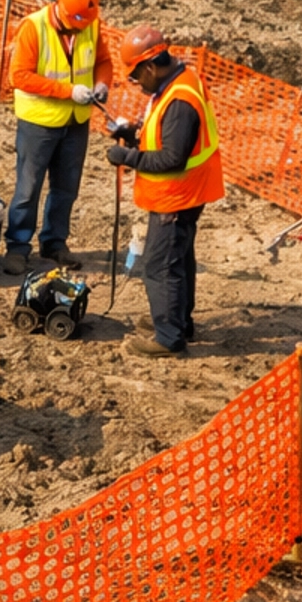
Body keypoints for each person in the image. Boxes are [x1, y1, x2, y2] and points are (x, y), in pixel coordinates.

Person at [106, 24, 224, 359]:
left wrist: (127, 157)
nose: (136, 83)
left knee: (159, 266)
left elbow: (173, 158)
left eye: (135, 76)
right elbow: (166, 136)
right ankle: (178, 320)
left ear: (150, 67)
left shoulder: (180, 101)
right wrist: (135, 134)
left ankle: (169, 336)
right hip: (187, 191)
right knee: (179, 258)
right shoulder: (178, 81)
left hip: (177, 195)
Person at [4, 0, 113, 273]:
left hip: (76, 122)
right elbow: (19, 76)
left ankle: (54, 242)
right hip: (38, 123)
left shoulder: (90, 24)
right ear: (62, 8)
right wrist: (68, 91)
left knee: (66, 188)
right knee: (28, 188)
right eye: (77, 21)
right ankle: (17, 247)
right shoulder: (34, 27)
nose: (82, 27)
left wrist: (102, 84)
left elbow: (103, 61)